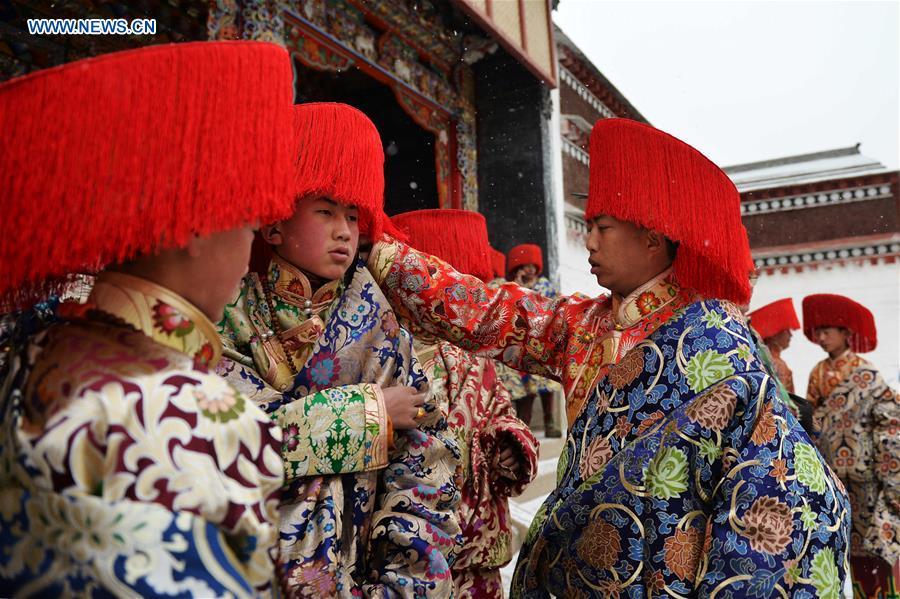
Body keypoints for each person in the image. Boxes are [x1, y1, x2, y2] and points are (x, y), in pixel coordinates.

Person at [366, 118, 852, 597]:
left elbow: (768, 491)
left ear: (652, 237)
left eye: (602, 227)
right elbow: (485, 310)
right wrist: (383, 253)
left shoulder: (719, 339)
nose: (590, 241)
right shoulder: (582, 326)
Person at [0, 41, 297, 595]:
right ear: (192, 230)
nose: (248, 256)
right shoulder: (193, 410)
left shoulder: (40, 348)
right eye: (250, 230)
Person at [216, 102, 461, 597]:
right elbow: (224, 443)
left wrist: (405, 581)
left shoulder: (379, 324)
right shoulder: (230, 312)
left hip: (358, 575)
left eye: (353, 214)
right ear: (275, 225)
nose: (345, 230)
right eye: (325, 211)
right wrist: (369, 412)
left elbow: (426, 458)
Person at [391, 208, 539, 598]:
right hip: (411, 549)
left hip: (476, 553)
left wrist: (506, 442)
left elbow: (500, 414)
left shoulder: (475, 355)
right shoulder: (385, 347)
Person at [804, 293, 899, 598]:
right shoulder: (817, 373)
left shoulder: (867, 372)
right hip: (833, 476)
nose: (821, 338)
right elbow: (813, 421)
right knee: (845, 547)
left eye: (828, 331)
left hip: (866, 474)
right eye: (818, 332)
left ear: (846, 333)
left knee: (874, 545)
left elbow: (889, 419)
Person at [495, 243, 563, 438]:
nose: (530, 270)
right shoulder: (513, 286)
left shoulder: (544, 285)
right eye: (525, 266)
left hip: (542, 339)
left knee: (546, 383)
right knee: (526, 387)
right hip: (520, 340)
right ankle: (525, 424)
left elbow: (553, 307)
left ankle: (550, 421)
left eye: (533, 266)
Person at [748, 297, 801, 393]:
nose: (791, 335)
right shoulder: (777, 364)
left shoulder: (759, 360)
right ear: (774, 335)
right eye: (786, 330)